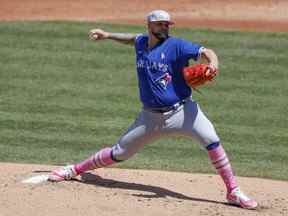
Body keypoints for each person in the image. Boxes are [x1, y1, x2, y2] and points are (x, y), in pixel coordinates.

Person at [48, 10, 257, 209]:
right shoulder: (141, 42)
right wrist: (108, 35)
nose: (164, 27)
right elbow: (132, 39)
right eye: (160, 24)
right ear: (149, 25)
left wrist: (213, 64)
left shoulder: (176, 45)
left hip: (183, 113)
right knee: (119, 153)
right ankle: (74, 169)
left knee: (212, 141)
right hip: (150, 117)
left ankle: (233, 190)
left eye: (167, 24)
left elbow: (205, 51)